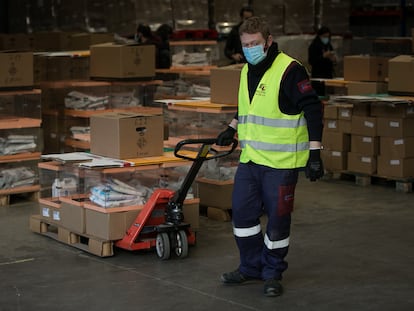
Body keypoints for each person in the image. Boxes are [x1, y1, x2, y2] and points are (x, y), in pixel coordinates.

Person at [216, 16, 324, 297]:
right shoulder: (245, 70)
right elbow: (248, 106)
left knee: (277, 220)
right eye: (246, 45)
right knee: (242, 215)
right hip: (250, 159)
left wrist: (315, 153)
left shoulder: (290, 70)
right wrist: (231, 127)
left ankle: (272, 272)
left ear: (268, 42)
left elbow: (313, 108)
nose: (250, 49)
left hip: (281, 163)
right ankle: (250, 267)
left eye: (255, 44)